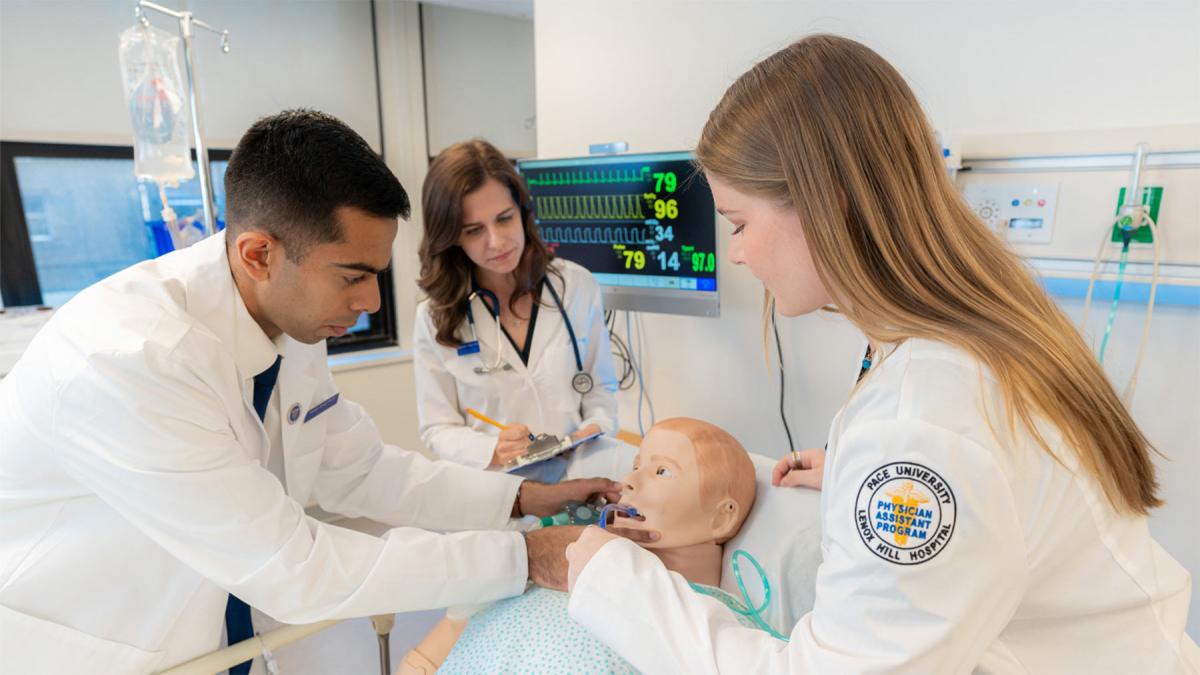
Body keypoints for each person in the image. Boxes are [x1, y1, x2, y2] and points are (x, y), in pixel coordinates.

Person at [540, 35, 1200, 672]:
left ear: (828, 202)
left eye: (740, 222)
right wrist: (868, 476)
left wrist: (614, 580)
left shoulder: (923, 423)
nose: (736, 252)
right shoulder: (975, 332)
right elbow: (989, 477)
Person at [0, 109, 618, 674]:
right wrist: (525, 557)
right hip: (94, 649)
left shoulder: (290, 323)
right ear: (259, 253)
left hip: (210, 640)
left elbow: (363, 470)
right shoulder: (130, 360)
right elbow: (295, 568)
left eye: (376, 276)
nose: (371, 302)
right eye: (353, 277)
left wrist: (526, 499)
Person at [398, 418, 762, 674]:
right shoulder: (547, 564)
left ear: (721, 518)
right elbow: (429, 657)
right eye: (636, 466)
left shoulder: (711, 630)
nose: (629, 481)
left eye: (661, 471)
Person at [413, 139, 619, 482]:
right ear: (451, 237)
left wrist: (594, 428)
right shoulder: (436, 316)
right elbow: (437, 427)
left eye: (504, 219)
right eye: (474, 230)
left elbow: (601, 389)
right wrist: (492, 449)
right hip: (496, 496)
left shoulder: (576, 286)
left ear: (522, 211)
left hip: (576, 480)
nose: (497, 241)